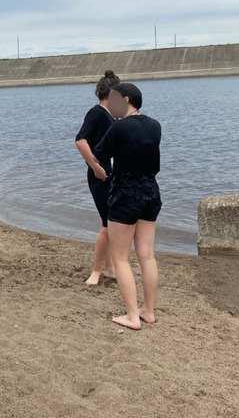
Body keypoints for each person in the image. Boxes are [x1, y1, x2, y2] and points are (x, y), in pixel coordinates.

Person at [93, 83, 161, 330]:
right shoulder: (155, 125)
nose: (109, 105)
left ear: (125, 99)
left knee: (121, 258)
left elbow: (99, 154)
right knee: (147, 255)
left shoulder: (119, 126)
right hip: (151, 193)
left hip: (125, 195)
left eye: (112, 100)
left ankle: (132, 316)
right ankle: (148, 311)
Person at [75, 69, 121, 285]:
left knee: (110, 223)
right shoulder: (96, 113)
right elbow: (80, 141)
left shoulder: (111, 115)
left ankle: (110, 268)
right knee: (107, 226)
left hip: (109, 173)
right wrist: (95, 167)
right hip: (99, 175)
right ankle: (96, 272)